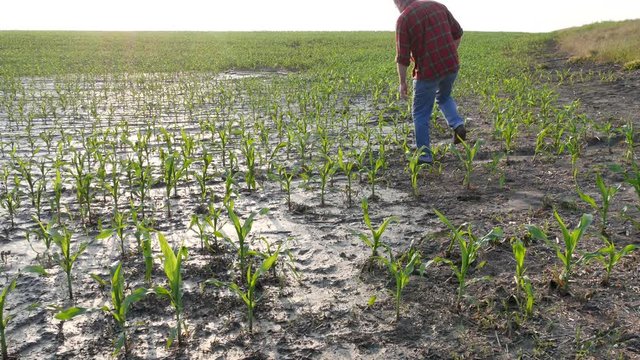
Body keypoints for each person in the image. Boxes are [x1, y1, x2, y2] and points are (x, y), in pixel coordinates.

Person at [394, 0, 466, 164]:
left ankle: (425, 156)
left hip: (427, 71)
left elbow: (402, 57)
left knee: (420, 114)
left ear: (398, 2)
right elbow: (458, 33)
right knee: (444, 97)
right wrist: (449, 54)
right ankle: (457, 124)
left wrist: (402, 82)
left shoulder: (404, 19)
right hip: (451, 65)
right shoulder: (438, 6)